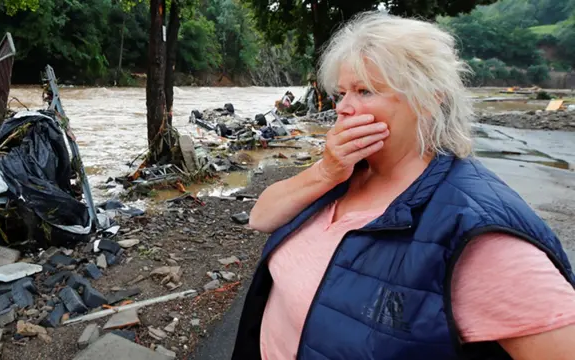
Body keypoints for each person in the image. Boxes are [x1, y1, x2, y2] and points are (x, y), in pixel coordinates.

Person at [231, 11, 575, 360]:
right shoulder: (345, 173)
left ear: (428, 98)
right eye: (342, 93)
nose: (343, 109)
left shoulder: (477, 232)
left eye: (364, 91)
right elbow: (260, 217)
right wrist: (325, 172)